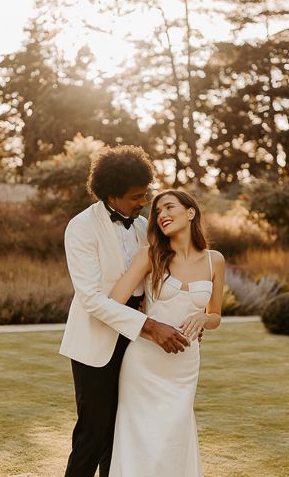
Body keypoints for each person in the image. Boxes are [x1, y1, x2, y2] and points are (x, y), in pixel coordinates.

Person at [60, 146, 190, 477]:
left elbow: (156, 281)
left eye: (144, 194)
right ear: (113, 195)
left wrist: (184, 315)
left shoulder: (144, 225)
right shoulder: (81, 228)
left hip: (137, 343)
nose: (143, 202)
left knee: (124, 431)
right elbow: (91, 298)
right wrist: (150, 327)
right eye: (135, 197)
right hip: (96, 339)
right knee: (94, 431)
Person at [108, 189, 225, 477]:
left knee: (174, 437)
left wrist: (203, 317)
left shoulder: (215, 261)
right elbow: (113, 303)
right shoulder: (150, 255)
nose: (161, 215)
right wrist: (149, 327)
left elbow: (216, 316)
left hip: (185, 365)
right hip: (145, 361)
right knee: (140, 438)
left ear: (190, 212)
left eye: (169, 207)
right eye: (158, 211)